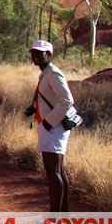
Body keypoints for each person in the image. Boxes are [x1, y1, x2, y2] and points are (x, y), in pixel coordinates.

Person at [24, 39, 73, 212]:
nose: (35, 56)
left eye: (40, 53)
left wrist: (48, 122)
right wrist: (35, 108)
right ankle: (63, 214)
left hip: (54, 127)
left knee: (54, 171)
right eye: (33, 53)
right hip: (51, 126)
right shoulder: (46, 73)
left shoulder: (53, 73)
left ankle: (56, 217)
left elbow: (67, 100)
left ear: (49, 54)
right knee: (58, 170)